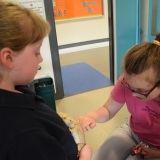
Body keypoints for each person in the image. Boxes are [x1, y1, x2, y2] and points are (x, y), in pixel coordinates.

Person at [0, 2, 92, 160]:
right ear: (8, 58)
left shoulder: (18, 90)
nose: (41, 58)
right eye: (36, 52)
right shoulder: (26, 134)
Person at [78, 33, 160, 160]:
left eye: (140, 90)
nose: (132, 93)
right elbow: (108, 110)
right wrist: (91, 117)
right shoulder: (127, 81)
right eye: (129, 85)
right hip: (132, 131)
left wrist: (155, 153)